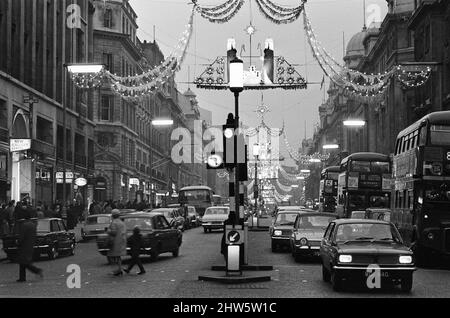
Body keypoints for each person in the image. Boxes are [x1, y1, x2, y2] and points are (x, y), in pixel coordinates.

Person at [16, 211, 43, 282]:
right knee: (23, 262)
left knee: (24, 262)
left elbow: (22, 236)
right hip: (30, 245)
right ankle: (22, 277)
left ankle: (36, 270)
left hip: (24, 245)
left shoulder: (24, 225)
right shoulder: (33, 225)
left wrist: (18, 242)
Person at [107, 209, 127, 276]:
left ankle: (117, 270)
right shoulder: (122, 223)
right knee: (118, 257)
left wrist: (108, 231)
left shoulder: (114, 223)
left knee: (112, 257)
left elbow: (113, 232)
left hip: (115, 242)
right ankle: (119, 269)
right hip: (121, 242)